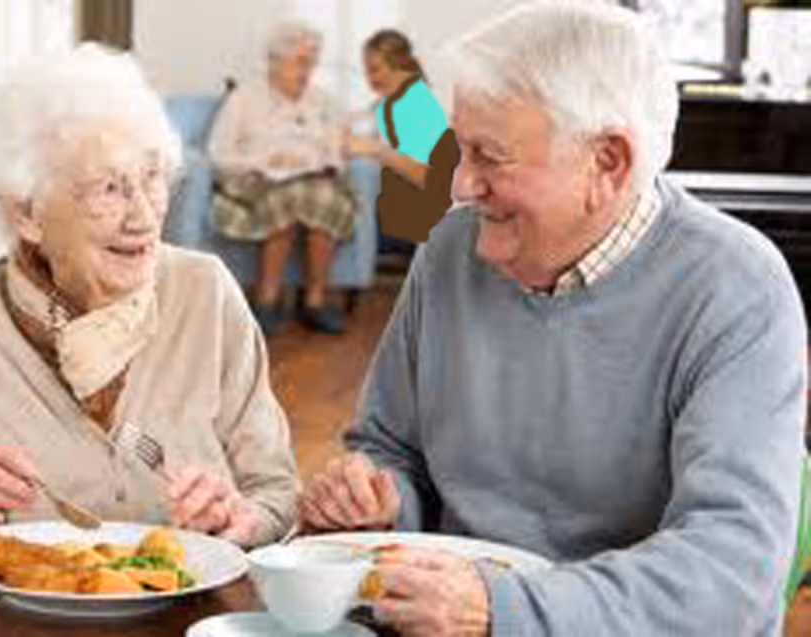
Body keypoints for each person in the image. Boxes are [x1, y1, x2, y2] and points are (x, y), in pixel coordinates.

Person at [299, 2, 807, 635]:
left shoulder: (737, 289)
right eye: (461, 151)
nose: (460, 185)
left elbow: (731, 572)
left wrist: (502, 612)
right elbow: (390, 448)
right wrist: (375, 499)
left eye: (489, 156)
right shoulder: (447, 255)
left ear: (607, 162)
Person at [0, 44, 297, 551]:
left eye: (152, 178)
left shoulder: (205, 294)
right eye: (109, 189)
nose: (144, 217)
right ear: (27, 215)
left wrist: (242, 518)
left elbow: (276, 495)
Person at [208, 21, 355, 335]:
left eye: (312, 62)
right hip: (257, 180)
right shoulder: (244, 98)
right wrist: (263, 160)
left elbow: (338, 151)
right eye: (301, 62)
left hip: (313, 180)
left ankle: (313, 301)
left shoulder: (322, 100)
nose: (308, 71)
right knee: (289, 197)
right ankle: (267, 300)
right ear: (275, 61)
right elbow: (219, 154)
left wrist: (320, 160)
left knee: (321, 197)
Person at [348, 29, 459, 244]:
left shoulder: (419, 107)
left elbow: (432, 179)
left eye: (374, 70)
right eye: (366, 71)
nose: (369, 79)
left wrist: (378, 151)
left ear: (399, 66)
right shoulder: (389, 105)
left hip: (417, 221)